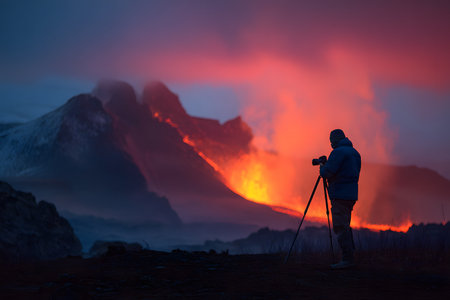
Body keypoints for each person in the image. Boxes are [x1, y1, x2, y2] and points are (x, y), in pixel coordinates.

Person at [320, 129, 361, 269]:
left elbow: (327, 172)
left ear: (334, 140)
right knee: (345, 225)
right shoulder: (355, 153)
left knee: (340, 226)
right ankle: (350, 257)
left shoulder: (338, 152)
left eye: (331, 140)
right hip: (351, 195)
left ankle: (347, 260)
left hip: (340, 195)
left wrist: (322, 166)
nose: (331, 143)